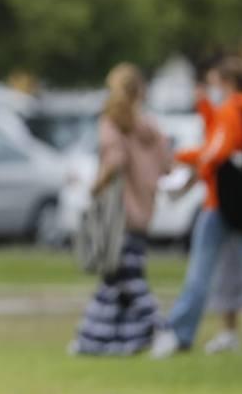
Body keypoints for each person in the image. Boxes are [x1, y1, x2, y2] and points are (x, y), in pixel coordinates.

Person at [151, 56, 242, 357]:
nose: (211, 88)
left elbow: (216, 150)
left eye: (214, 83)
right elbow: (221, 138)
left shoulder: (232, 110)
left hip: (221, 204)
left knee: (200, 273)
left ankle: (179, 333)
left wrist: (178, 156)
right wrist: (207, 109)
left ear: (227, 83)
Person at [69, 63, 172, 355]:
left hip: (120, 214)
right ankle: (95, 339)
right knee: (113, 280)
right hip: (144, 209)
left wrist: (94, 187)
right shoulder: (151, 128)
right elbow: (167, 164)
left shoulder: (113, 123)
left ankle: (161, 329)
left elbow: (113, 160)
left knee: (127, 278)